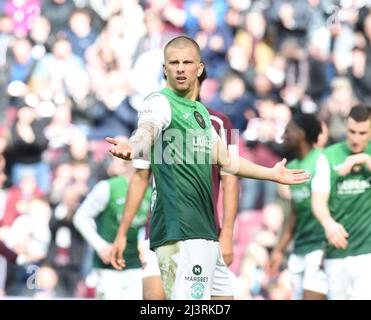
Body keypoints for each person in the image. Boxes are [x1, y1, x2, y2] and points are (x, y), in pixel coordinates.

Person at [106, 35, 309, 300]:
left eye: (187, 62)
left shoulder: (205, 117)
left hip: (205, 233)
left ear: (199, 68)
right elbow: (147, 129)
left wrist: (271, 174)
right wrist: (135, 147)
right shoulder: (158, 102)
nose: (180, 68)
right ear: (164, 68)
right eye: (174, 63)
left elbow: (227, 163)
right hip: (180, 232)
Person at [110, 68, 240, 300]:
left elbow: (231, 180)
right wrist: (122, 233)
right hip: (159, 230)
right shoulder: (155, 122)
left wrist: (227, 233)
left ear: (199, 81)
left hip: (202, 232)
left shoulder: (221, 122)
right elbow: (140, 179)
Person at [73, 147, 152, 300]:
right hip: (108, 268)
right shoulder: (108, 187)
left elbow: (148, 227)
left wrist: (145, 245)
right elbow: (80, 217)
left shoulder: (149, 193)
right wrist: (100, 246)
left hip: (135, 266)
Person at [311, 104, 371, 300]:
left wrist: (363, 160)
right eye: (352, 131)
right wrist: (328, 224)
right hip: (338, 248)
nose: (356, 138)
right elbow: (318, 200)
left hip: (367, 250)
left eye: (363, 133)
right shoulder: (328, 156)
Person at [268, 114, 327, 300]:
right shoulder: (292, 166)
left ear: (301, 134)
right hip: (300, 248)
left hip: (321, 247)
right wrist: (279, 249)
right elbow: (294, 213)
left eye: (288, 130)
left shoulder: (322, 160)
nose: (283, 135)